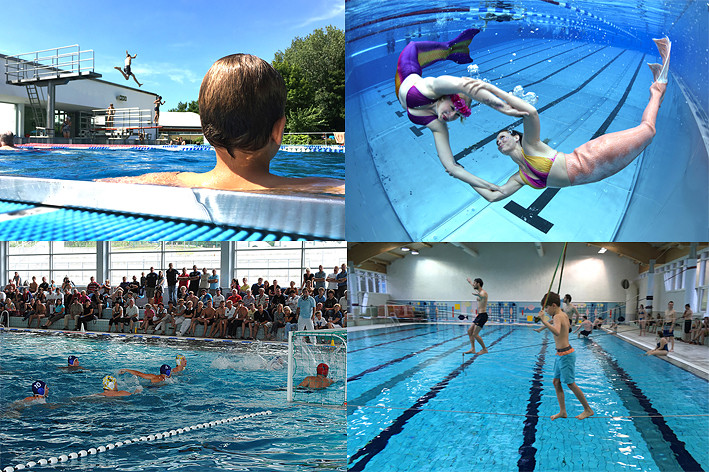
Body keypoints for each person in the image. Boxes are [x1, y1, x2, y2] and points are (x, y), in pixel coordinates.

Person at [464, 37, 671, 202]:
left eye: (502, 136)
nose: (499, 141)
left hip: (595, 157)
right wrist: (462, 174)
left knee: (649, 131)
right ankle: (657, 93)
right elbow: (495, 195)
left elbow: (530, 113)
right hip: (599, 172)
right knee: (647, 131)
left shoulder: (530, 144)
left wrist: (489, 88)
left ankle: (658, 86)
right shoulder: (520, 176)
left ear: (516, 138)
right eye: (497, 142)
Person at [99, 54, 343, 194]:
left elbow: (105, 184)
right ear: (278, 131)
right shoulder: (319, 187)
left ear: (206, 130)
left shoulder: (173, 179)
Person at [395, 29, 526, 191]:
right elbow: (466, 86)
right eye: (451, 108)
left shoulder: (437, 125)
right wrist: (505, 109)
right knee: (444, 48)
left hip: (405, 88)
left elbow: (452, 167)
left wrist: (492, 186)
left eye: (456, 115)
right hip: (407, 67)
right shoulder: (430, 87)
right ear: (444, 97)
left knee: (447, 52)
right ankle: (455, 48)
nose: (450, 116)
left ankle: (455, 51)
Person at [537, 292, 594, 420]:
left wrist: (543, 321)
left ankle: (588, 409)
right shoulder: (563, 315)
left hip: (566, 355)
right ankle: (563, 411)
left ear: (553, 305)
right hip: (561, 354)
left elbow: (557, 332)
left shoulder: (558, 316)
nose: (546, 311)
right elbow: (565, 328)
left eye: (546, 308)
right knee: (556, 382)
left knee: (570, 384)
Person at [464, 277, 488, 355]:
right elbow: (476, 290)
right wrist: (470, 282)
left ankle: (484, 349)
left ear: (478, 284)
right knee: (469, 331)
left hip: (483, 316)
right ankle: (473, 349)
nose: (473, 284)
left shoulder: (483, 293)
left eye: (474, 283)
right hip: (479, 315)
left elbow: (483, 296)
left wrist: (479, 295)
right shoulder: (479, 291)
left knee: (475, 334)